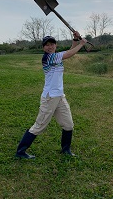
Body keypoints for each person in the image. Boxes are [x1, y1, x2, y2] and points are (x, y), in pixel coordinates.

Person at [15, 31, 88, 159]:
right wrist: (81, 44)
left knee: (68, 125)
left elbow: (69, 51)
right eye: (47, 45)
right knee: (39, 126)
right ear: (43, 48)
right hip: (49, 97)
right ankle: (20, 152)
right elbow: (69, 53)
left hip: (60, 96)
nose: (50, 47)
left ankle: (66, 150)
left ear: (55, 45)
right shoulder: (48, 58)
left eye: (52, 44)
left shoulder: (57, 56)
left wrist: (75, 39)